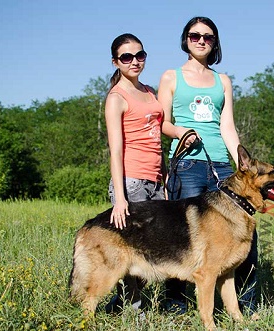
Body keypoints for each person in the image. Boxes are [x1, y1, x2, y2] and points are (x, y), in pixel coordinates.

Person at [158, 16, 258, 316]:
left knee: (244, 238)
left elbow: (227, 126)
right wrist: (181, 133)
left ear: (215, 43)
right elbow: (162, 122)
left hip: (222, 169)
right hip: (186, 165)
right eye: (194, 35)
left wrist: (242, 164)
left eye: (208, 37)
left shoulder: (222, 81)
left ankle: (248, 304)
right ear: (185, 39)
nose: (201, 40)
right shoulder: (170, 77)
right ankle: (176, 305)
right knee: (181, 238)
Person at [104, 33, 165, 314]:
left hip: (154, 181)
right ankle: (133, 310)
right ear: (116, 62)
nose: (135, 61)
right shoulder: (117, 97)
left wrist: (162, 181)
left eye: (140, 55)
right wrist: (120, 197)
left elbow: (157, 140)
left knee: (151, 249)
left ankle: (123, 305)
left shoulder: (150, 91)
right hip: (132, 182)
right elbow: (116, 151)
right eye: (127, 57)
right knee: (131, 250)